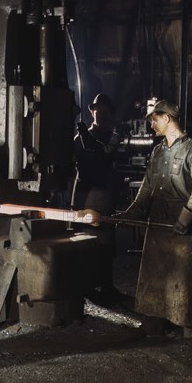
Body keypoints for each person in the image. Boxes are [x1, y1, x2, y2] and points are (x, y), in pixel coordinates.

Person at [114, 99, 192, 349]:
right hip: (158, 224)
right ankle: (153, 325)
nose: (152, 125)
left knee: (187, 279)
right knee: (155, 275)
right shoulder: (157, 152)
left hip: (184, 228)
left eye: (154, 120)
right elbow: (146, 189)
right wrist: (131, 213)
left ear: (167, 118)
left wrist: (184, 219)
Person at [72, 93, 122, 304]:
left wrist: (87, 138)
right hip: (84, 191)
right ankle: (85, 284)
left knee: (105, 238)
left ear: (110, 113)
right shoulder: (79, 138)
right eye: (97, 109)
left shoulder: (113, 137)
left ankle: (107, 284)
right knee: (84, 239)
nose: (101, 113)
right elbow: (78, 158)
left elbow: (104, 153)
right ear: (92, 111)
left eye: (105, 110)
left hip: (103, 192)